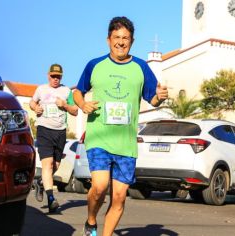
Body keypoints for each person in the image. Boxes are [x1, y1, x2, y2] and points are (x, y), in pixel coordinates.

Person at [73, 16, 168, 236]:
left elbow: (152, 98)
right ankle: (91, 221)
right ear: (108, 40)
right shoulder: (95, 65)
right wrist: (82, 104)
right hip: (99, 137)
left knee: (119, 196)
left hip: (126, 143)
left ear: (132, 41)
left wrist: (160, 97)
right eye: (116, 37)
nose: (121, 42)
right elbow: (78, 91)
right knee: (99, 187)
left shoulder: (141, 67)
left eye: (125, 38)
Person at [30, 63, 78, 213]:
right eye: (53, 76)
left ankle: (41, 182)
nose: (55, 79)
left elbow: (75, 111)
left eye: (58, 76)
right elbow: (32, 102)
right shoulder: (41, 89)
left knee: (55, 166)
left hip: (60, 132)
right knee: (48, 164)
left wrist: (64, 105)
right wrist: (35, 107)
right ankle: (51, 199)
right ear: (48, 75)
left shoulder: (66, 91)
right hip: (44, 129)